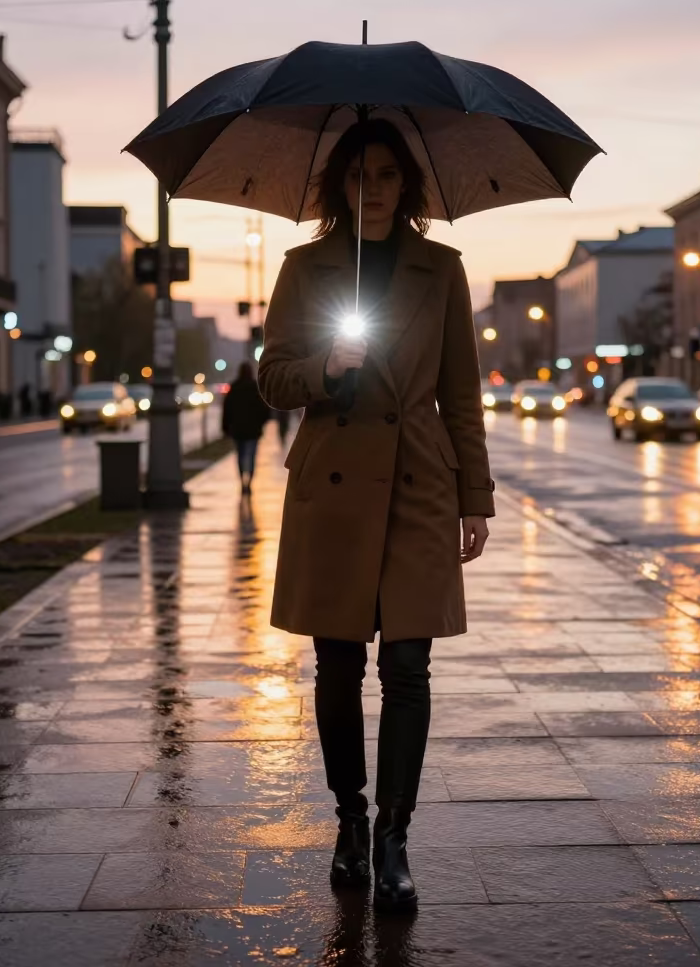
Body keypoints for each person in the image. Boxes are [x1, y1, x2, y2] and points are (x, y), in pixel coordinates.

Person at [258, 118, 493, 914]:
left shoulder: (442, 268)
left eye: (388, 174)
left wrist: (476, 496)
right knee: (337, 667)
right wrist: (324, 368)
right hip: (333, 485)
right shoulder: (305, 267)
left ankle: (395, 837)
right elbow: (271, 378)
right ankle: (350, 822)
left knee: (409, 668)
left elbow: (462, 394)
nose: (375, 189)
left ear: (407, 184)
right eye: (359, 175)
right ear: (340, 185)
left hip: (420, 480)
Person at [221, 362, 270, 493]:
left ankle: (242, 480)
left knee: (240, 456)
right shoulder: (255, 388)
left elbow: (227, 409)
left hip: (238, 430)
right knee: (251, 456)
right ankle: (249, 482)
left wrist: (225, 427)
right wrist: (261, 422)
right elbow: (264, 408)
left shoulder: (234, 387)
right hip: (253, 430)